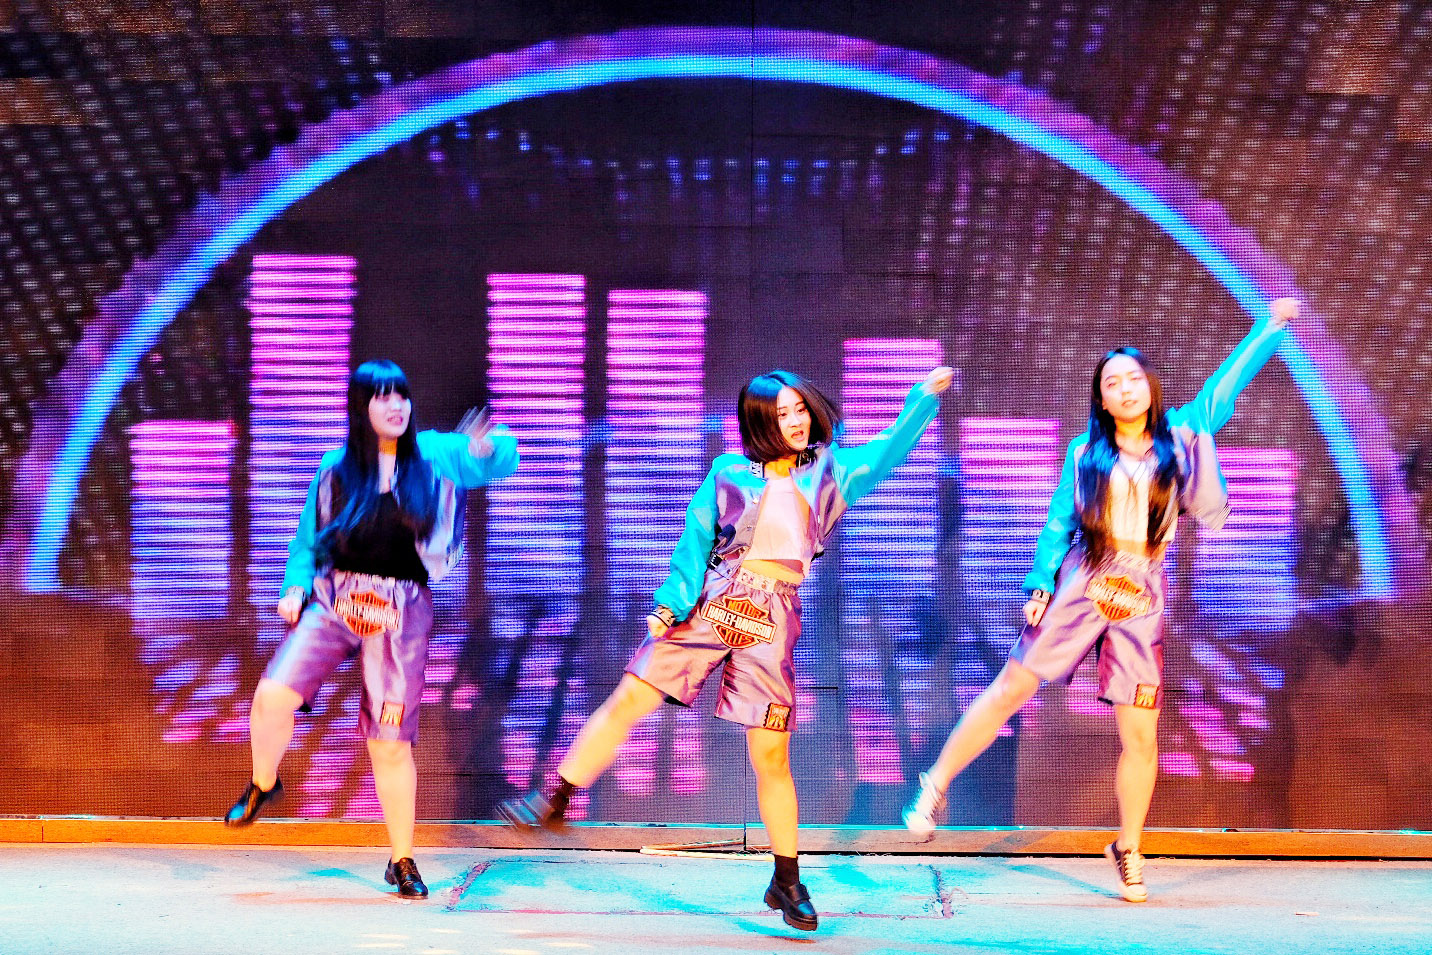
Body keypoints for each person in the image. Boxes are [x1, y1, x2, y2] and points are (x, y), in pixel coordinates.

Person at [499, 366, 953, 931]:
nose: (796, 421)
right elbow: (694, 540)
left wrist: (921, 399)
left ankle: (786, 881)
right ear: (760, 422)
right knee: (631, 697)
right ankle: (557, 796)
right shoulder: (728, 472)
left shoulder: (832, 472)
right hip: (713, 599)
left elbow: (890, 448)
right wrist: (670, 602)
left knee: (771, 754)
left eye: (800, 409)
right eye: (782, 413)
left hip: (773, 616)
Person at [903, 299, 1296, 903]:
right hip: (1086, 577)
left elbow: (1228, 383)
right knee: (1012, 688)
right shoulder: (1085, 453)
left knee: (1140, 734)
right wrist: (1040, 583)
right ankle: (935, 784)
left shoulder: (1184, 434)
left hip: (1143, 589)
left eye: (1133, 378)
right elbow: (1058, 522)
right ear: (1102, 400)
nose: (1125, 389)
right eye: (1112, 383)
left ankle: (1129, 847)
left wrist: (1269, 328)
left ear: (1150, 386)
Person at [223, 359, 518, 900]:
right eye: (382, 397)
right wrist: (295, 587)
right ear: (362, 407)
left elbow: (500, 460)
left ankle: (401, 858)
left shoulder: (435, 454)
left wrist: (486, 448)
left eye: (401, 395)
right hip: (335, 599)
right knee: (271, 697)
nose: (395, 406)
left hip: (401, 611)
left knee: (390, 739)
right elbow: (307, 540)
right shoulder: (337, 466)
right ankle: (264, 783)